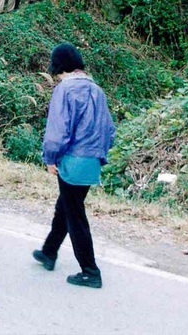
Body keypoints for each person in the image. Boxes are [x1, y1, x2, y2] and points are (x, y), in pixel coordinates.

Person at [33, 43, 115, 289]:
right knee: (67, 205)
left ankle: (90, 271)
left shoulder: (64, 90)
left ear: (59, 67)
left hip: (72, 160)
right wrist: (98, 154)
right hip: (92, 162)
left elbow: (57, 133)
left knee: (75, 214)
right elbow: (109, 130)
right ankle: (49, 251)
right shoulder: (97, 90)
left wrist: (49, 158)